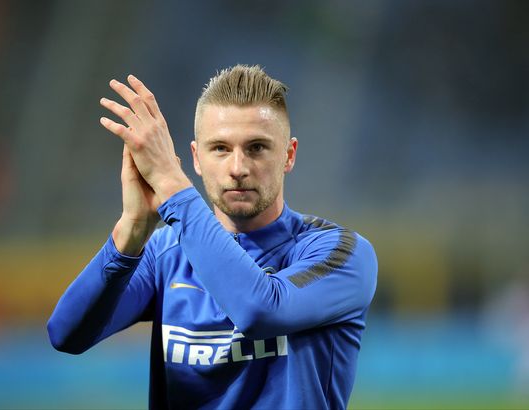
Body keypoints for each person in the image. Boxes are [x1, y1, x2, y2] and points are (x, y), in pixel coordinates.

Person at [47, 65, 377, 409]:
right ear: (196, 158)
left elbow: (261, 311)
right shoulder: (166, 253)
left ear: (288, 155)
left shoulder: (341, 253)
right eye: (220, 148)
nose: (237, 168)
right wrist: (132, 228)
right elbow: (66, 334)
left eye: (257, 147)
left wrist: (172, 186)